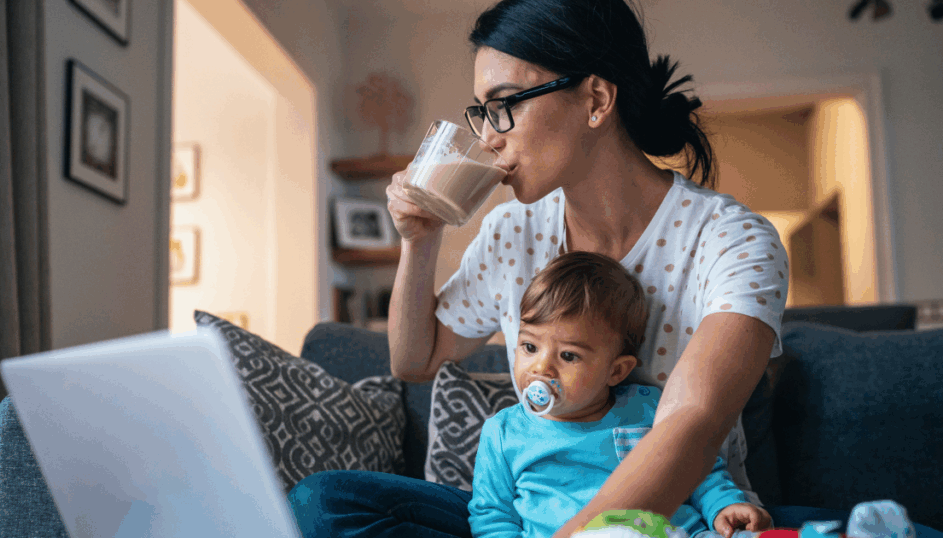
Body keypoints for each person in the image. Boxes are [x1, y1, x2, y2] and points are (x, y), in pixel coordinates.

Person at [288, 0, 810, 536]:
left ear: (596, 100)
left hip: (681, 516)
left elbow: (692, 420)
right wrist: (419, 242)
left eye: (505, 104)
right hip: (534, 518)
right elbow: (413, 360)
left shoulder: (732, 239)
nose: (490, 137)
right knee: (325, 501)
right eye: (483, 112)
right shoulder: (512, 230)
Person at [468, 251, 771, 538]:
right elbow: (493, 516)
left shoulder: (649, 407)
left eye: (569, 356)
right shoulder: (503, 433)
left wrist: (724, 505)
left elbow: (697, 470)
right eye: (530, 347)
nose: (541, 367)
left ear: (617, 371)